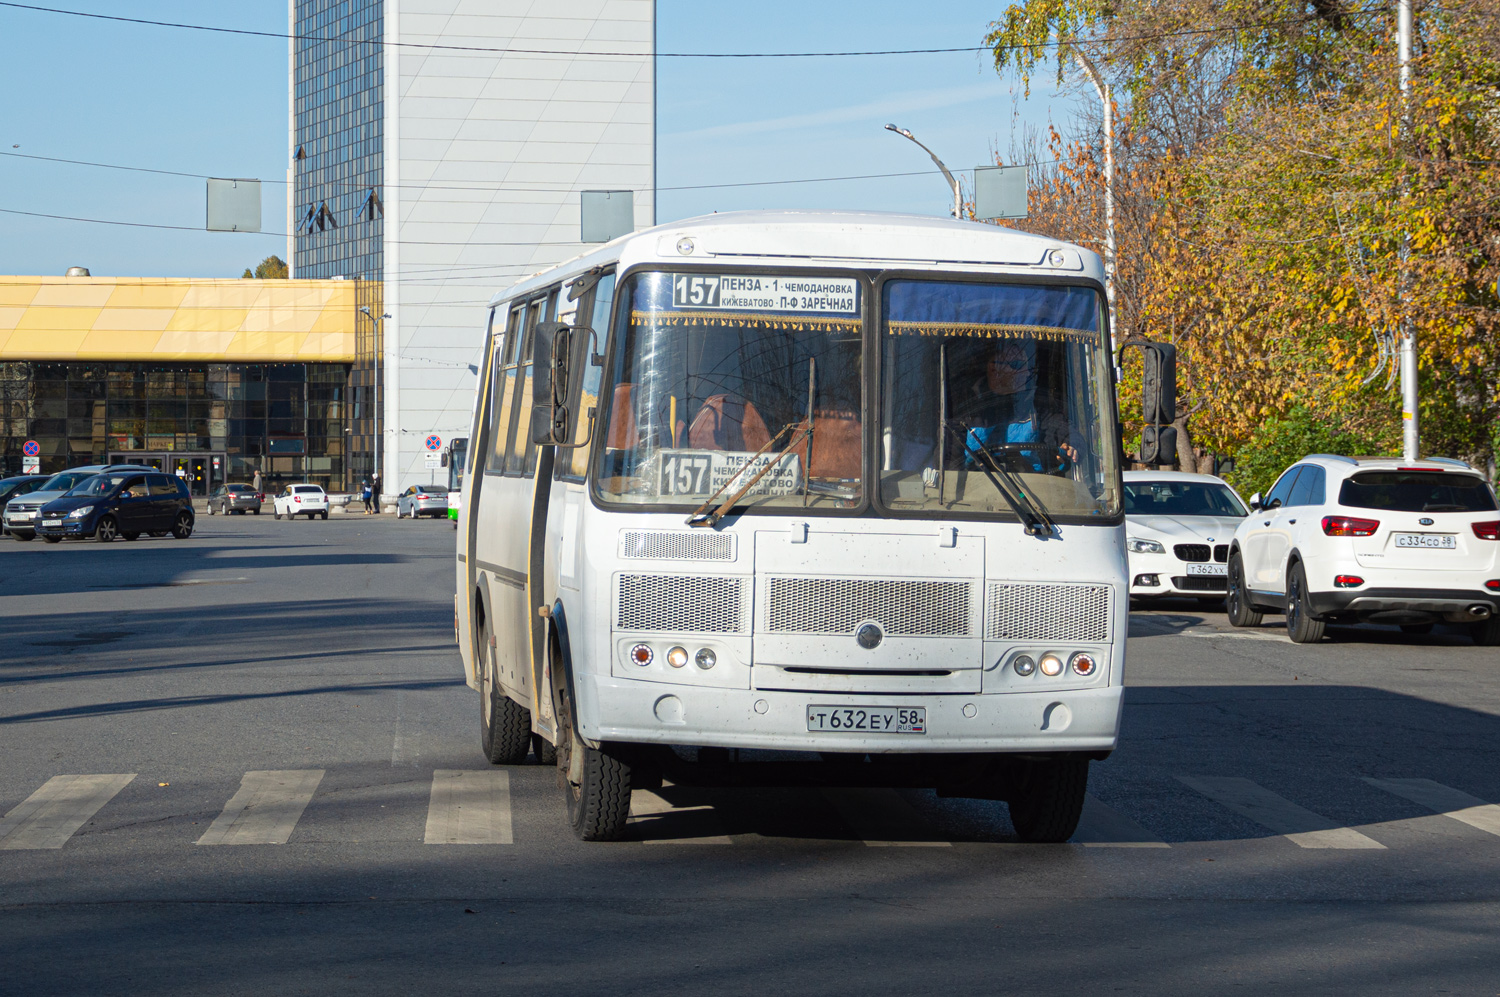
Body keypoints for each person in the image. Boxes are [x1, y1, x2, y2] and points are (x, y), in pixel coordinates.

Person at [951, 338, 1077, 472]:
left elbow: (1065, 431)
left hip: (1032, 489)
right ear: (994, 369)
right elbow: (949, 462)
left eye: (1028, 366)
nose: (1027, 373)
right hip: (977, 490)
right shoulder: (968, 411)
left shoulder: (1037, 408)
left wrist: (1071, 445)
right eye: (1017, 365)